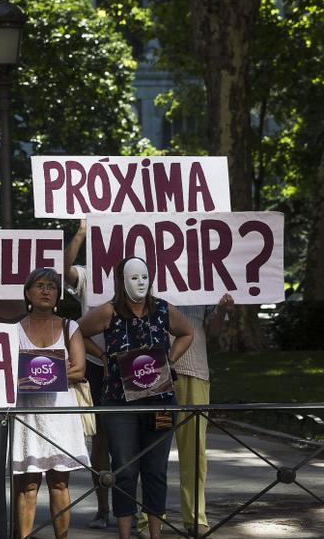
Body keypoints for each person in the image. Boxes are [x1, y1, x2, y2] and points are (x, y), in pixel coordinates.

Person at [78, 257, 194, 539]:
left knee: (156, 470)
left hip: (160, 400)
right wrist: (102, 356)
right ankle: (125, 534)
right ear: (121, 281)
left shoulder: (164, 310)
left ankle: (155, 534)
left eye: (145, 277)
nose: (141, 282)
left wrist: (170, 359)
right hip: (120, 403)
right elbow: (77, 332)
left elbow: (187, 333)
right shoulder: (107, 312)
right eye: (134, 277)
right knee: (125, 469)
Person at [11, 268, 91, 539]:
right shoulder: (14, 329)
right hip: (27, 414)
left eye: (52, 286)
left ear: (57, 294)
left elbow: (79, 370)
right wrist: (59, 369)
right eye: (40, 285)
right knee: (27, 484)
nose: (46, 290)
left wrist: (31, 373)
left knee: (59, 482)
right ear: (28, 293)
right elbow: (6, 371)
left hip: (61, 414)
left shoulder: (70, 326)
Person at [63, 219, 112, 527]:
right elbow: (63, 267)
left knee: (133, 443)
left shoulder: (144, 271)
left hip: (135, 368)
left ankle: (133, 512)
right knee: (102, 443)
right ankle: (104, 509)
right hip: (97, 368)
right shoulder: (87, 273)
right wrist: (80, 233)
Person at [173, 293, 233, 534]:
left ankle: (195, 517)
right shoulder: (150, 273)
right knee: (152, 449)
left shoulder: (204, 281)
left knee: (195, 451)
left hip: (195, 371)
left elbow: (215, 331)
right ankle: (151, 516)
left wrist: (222, 311)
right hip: (154, 372)